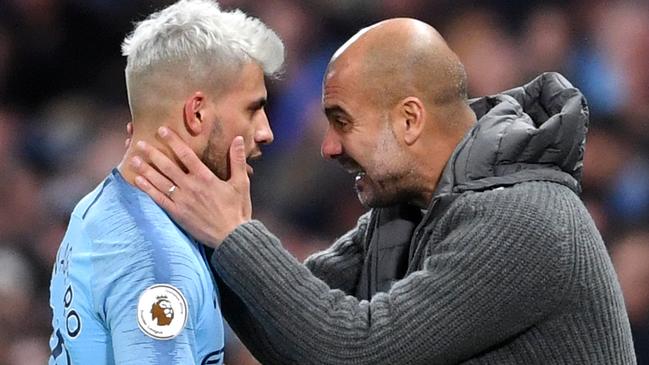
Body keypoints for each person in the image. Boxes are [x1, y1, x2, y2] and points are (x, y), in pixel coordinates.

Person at [131, 18, 636, 364]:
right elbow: (296, 338)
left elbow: (357, 351)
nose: (328, 147)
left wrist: (235, 234)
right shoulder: (410, 208)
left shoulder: (524, 219)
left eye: (342, 121)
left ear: (410, 119)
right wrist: (205, 230)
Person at [48, 0, 284, 364]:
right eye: (253, 108)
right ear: (197, 113)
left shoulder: (99, 204)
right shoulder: (156, 263)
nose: (266, 132)